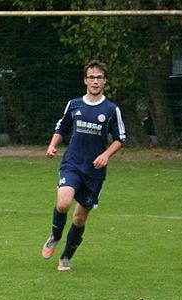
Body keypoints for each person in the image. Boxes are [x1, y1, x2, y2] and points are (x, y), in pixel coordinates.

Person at [42, 60, 126, 271]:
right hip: (72, 163)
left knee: (79, 218)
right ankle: (55, 235)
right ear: (85, 80)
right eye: (91, 77)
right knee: (63, 204)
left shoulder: (111, 109)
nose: (95, 81)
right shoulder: (74, 104)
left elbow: (120, 138)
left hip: (94, 171)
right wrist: (52, 146)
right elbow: (61, 127)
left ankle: (65, 258)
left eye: (99, 77)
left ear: (104, 81)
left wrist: (106, 154)